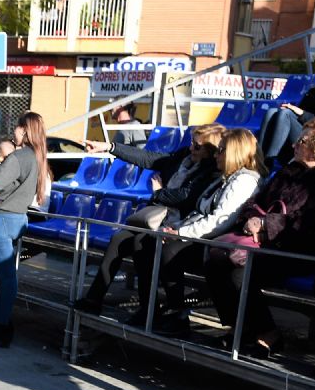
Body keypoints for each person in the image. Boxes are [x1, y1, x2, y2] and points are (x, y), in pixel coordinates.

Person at [204, 117, 315, 356]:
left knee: (238, 269)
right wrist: (252, 219)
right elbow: (255, 202)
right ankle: (241, 327)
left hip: (302, 250)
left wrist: (265, 225)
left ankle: (266, 332)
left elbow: (310, 222)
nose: (294, 145)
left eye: (302, 140)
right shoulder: (290, 170)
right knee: (217, 256)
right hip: (271, 244)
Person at [76, 124, 225, 319]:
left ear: (210, 150)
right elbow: (150, 159)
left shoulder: (210, 172)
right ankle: (94, 300)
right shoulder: (183, 158)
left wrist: (158, 192)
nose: (191, 148)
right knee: (119, 239)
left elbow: (184, 196)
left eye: (197, 146)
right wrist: (110, 147)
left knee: (142, 244)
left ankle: (151, 310)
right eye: (191, 143)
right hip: (161, 221)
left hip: (181, 226)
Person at [136, 127, 266, 334]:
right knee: (147, 242)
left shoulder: (243, 181)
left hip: (217, 241)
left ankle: (179, 314)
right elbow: (200, 210)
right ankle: (150, 309)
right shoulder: (224, 177)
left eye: (221, 150)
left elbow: (219, 221)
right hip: (201, 234)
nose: (216, 154)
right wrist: (175, 229)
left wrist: (179, 233)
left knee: (169, 251)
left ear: (234, 153)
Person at [0, 111, 51, 347]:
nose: (14, 132)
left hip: (3, 217)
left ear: (24, 130)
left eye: (17, 128)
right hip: (18, 217)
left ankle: (2, 325)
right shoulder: (38, 157)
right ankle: (3, 322)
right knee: (4, 273)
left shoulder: (19, 157)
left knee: (4, 275)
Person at [257, 58, 315, 165]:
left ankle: (268, 162)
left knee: (285, 114)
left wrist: (302, 113)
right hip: (299, 137)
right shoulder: (312, 93)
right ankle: (258, 157)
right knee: (271, 112)